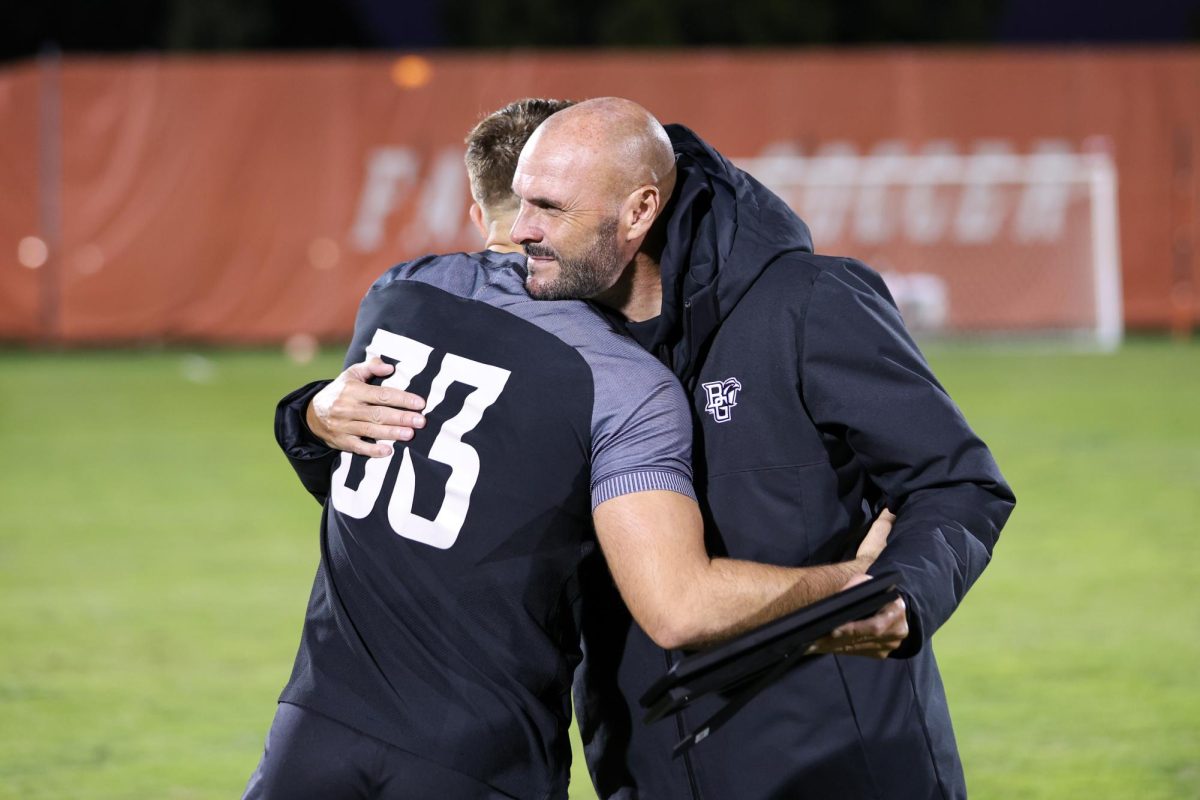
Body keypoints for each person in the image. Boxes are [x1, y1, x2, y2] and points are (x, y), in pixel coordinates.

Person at [318, 97, 1015, 798]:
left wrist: (901, 597)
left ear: (638, 210)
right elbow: (436, 488)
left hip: (826, 756)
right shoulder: (555, 335)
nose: (519, 232)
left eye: (549, 209)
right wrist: (315, 414)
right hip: (645, 761)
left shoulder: (805, 303)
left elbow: (959, 483)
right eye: (521, 203)